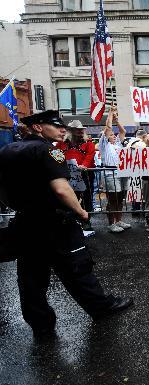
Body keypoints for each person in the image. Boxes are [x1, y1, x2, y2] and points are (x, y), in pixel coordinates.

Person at [0, 110, 133, 340]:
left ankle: (41, 326)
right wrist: (80, 211)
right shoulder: (49, 151)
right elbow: (62, 189)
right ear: (38, 128)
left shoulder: (8, 150)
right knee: (77, 268)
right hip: (56, 221)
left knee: (31, 276)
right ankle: (100, 307)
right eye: (56, 125)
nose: (63, 129)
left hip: (26, 221)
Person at [55, 120, 96, 230]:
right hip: (68, 175)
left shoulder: (89, 143)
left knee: (87, 198)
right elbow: (56, 155)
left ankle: (86, 220)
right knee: (69, 198)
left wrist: (84, 165)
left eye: (81, 129)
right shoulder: (61, 144)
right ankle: (70, 221)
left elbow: (90, 156)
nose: (80, 131)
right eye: (77, 129)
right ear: (71, 131)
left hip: (85, 174)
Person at [99, 106, 131, 233]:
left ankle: (118, 220)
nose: (113, 135)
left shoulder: (117, 144)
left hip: (122, 171)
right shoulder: (104, 144)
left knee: (120, 197)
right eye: (111, 134)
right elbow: (108, 128)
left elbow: (122, 131)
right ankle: (111, 223)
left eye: (113, 134)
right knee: (112, 199)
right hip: (110, 172)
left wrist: (117, 120)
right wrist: (110, 113)